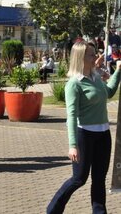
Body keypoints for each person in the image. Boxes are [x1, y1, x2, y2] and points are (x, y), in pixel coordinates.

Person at [46, 41, 121, 213]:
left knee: (99, 179)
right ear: (80, 57)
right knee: (79, 178)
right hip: (84, 135)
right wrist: (73, 145)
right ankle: (53, 210)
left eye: (95, 53)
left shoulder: (95, 77)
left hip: (103, 134)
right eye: (91, 54)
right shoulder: (74, 83)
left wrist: (118, 71)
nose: (96, 57)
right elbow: (71, 116)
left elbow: (108, 92)